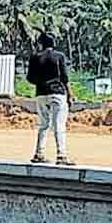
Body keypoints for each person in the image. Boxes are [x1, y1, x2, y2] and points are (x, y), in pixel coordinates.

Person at [26, 32, 74, 165]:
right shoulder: (59, 56)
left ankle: (39, 153)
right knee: (59, 125)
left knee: (43, 125)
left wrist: (41, 82)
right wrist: (70, 94)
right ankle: (61, 155)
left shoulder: (34, 58)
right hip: (57, 94)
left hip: (41, 94)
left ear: (41, 43)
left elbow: (30, 78)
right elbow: (64, 77)